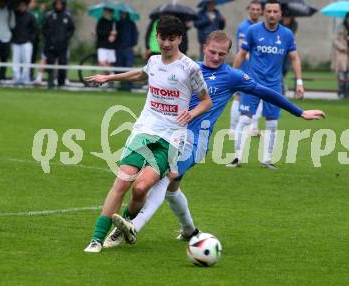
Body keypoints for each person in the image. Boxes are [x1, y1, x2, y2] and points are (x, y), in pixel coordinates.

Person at [103, 31, 325, 247]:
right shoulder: (188, 67)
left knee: (165, 179)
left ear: (228, 54)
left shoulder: (232, 76)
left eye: (221, 54)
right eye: (212, 52)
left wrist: (299, 112)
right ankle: (190, 230)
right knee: (173, 189)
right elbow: (149, 76)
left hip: (195, 141)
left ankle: (132, 226)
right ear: (204, 49)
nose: (216, 57)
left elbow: (264, 91)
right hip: (168, 135)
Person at [83, 16, 212, 253]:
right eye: (162, 38)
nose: (166, 44)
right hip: (144, 130)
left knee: (141, 189)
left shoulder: (189, 68)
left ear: (180, 39)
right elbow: (140, 74)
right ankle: (96, 239)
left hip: (171, 138)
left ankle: (121, 226)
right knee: (122, 180)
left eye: (171, 39)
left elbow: (206, 101)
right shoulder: (153, 61)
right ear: (157, 37)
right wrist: (108, 77)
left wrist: (191, 113)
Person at [229, 0, 304, 169]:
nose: (271, 14)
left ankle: (267, 160)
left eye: (274, 11)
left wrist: (299, 82)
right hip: (253, 84)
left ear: (280, 14)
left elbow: (294, 58)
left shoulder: (287, 34)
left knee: (272, 122)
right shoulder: (252, 31)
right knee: (244, 119)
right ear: (264, 13)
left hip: (274, 85)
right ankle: (237, 157)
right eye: (268, 11)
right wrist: (232, 78)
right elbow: (241, 54)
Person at [229, 0, 262, 137]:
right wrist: (257, 62)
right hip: (245, 69)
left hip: (255, 71)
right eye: (252, 9)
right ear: (249, 10)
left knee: (257, 96)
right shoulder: (245, 27)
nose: (255, 11)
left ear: (261, 12)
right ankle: (232, 128)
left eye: (257, 9)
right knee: (238, 96)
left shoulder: (260, 27)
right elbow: (243, 49)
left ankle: (252, 127)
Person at [42, 0, 75, 88]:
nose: (59, 5)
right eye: (57, 4)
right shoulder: (49, 15)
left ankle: (61, 83)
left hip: (63, 45)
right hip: (51, 45)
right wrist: (49, 37)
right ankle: (50, 83)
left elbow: (71, 29)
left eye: (60, 4)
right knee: (50, 64)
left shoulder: (67, 16)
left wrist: (66, 38)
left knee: (63, 64)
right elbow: (44, 29)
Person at [332, 12, 349, 100]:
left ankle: (348, 94)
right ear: (346, 18)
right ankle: (340, 92)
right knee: (341, 75)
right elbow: (335, 40)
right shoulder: (340, 27)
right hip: (342, 54)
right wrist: (342, 47)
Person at [11, 0, 37, 85]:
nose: (21, 7)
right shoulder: (14, 15)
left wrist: (30, 39)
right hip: (16, 42)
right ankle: (17, 79)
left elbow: (35, 29)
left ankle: (25, 79)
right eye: (20, 5)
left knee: (27, 62)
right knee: (15, 62)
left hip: (26, 42)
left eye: (23, 5)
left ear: (26, 6)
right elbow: (11, 27)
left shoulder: (30, 16)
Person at [115, 11, 138, 91]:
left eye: (123, 13)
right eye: (121, 13)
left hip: (128, 48)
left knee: (128, 67)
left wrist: (131, 44)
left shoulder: (131, 23)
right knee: (119, 67)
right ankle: (121, 85)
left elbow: (135, 35)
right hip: (119, 48)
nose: (122, 14)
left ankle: (129, 85)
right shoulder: (117, 23)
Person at [28, 0, 46, 82]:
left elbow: (41, 23)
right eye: (32, 2)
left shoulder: (38, 13)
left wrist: (42, 11)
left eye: (34, 2)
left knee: (32, 58)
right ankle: (23, 75)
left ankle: (30, 74)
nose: (33, 4)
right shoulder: (25, 12)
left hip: (34, 39)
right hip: (25, 39)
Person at [96, 8, 117, 73]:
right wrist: (109, 33)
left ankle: (109, 80)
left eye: (110, 12)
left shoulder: (114, 21)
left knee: (109, 63)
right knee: (102, 62)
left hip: (111, 46)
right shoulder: (101, 21)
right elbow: (99, 32)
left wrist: (114, 35)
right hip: (102, 45)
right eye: (107, 12)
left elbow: (117, 32)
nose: (108, 13)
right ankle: (112, 75)